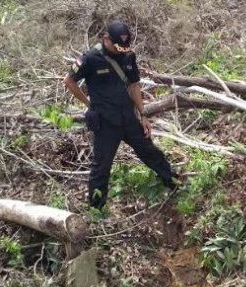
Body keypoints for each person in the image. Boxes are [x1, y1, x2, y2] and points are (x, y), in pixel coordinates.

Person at [63, 21, 176, 210]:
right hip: (106, 123)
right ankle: (96, 210)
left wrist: (143, 114)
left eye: (124, 47)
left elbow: (134, 86)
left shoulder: (128, 56)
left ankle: (172, 181)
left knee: (149, 151)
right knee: (101, 168)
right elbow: (69, 81)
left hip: (128, 117)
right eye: (117, 46)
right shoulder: (90, 58)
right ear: (106, 39)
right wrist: (89, 104)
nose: (120, 50)